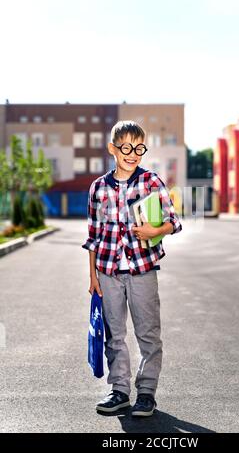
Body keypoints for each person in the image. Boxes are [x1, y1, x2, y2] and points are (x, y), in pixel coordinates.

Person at [82, 120, 182, 417]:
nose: (132, 153)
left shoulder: (151, 181)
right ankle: (119, 391)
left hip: (143, 270)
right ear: (113, 148)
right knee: (114, 335)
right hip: (108, 271)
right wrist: (93, 277)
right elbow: (93, 236)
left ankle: (147, 393)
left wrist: (154, 231)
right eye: (126, 147)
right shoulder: (98, 188)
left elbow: (174, 222)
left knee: (148, 333)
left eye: (138, 148)